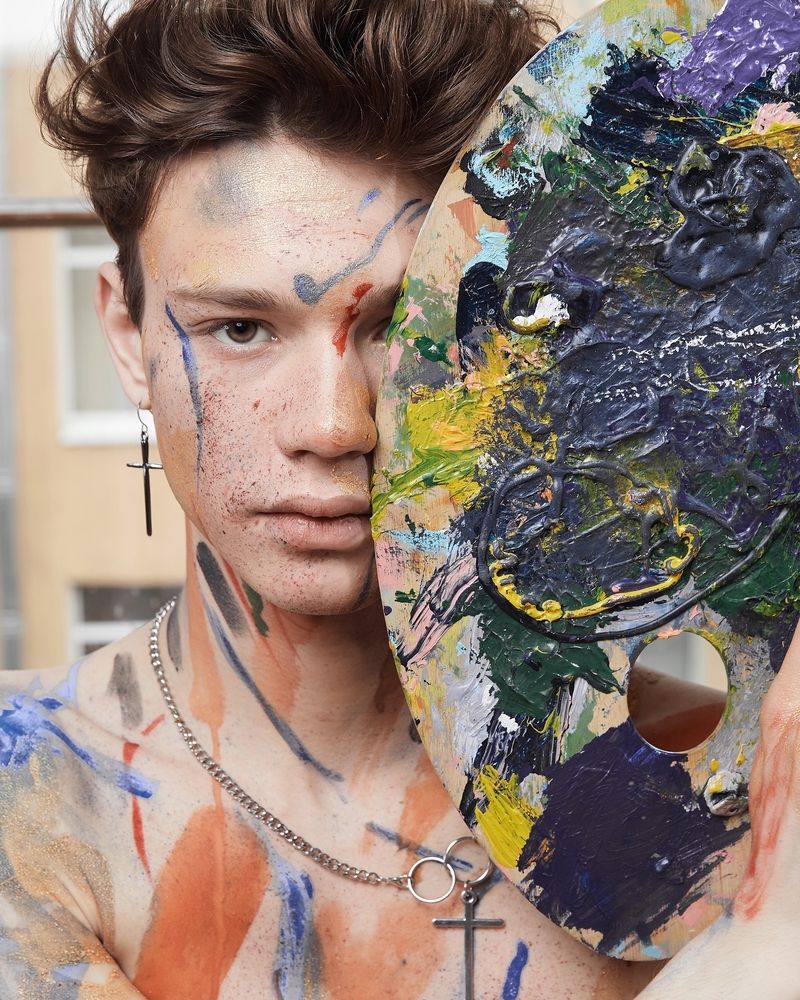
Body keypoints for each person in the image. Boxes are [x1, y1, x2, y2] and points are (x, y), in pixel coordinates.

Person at [0, 0, 797, 996]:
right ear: (128, 338)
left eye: (395, 327)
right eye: (240, 328)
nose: (333, 424)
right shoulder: (33, 789)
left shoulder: (721, 791)